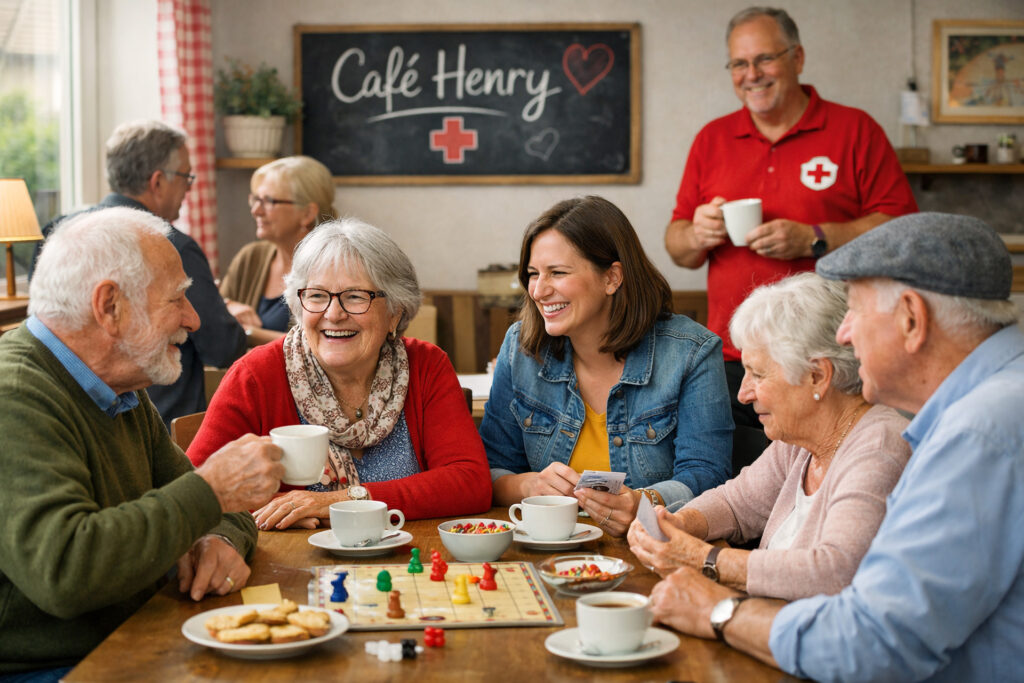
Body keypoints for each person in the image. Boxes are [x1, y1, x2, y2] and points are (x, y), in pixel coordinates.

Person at [648, 213, 1023, 682]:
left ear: (911, 318)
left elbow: (873, 643)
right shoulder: (996, 400)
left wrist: (720, 612)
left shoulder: (977, 433)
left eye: (856, 311)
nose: (844, 335)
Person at [0, 207, 284, 680]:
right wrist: (211, 491)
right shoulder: (15, 395)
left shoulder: (118, 390)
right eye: (177, 298)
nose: (193, 319)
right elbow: (66, 571)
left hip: (134, 635)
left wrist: (218, 538)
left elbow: (220, 509)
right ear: (109, 306)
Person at [663, 7, 918, 451]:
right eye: (739, 64)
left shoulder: (854, 130)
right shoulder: (713, 139)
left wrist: (815, 238)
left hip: (829, 354)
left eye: (765, 59)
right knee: (737, 484)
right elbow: (677, 247)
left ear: (797, 58)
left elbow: (903, 232)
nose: (752, 74)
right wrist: (696, 233)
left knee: (824, 478)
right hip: (733, 357)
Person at [187, 218, 492, 526]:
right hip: (290, 565)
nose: (333, 314)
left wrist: (338, 501)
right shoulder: (256, 376)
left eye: (356, 296)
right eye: (317, 295)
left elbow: (470, 482)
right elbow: (197, 493)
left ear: (395, 314)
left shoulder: (425, 365)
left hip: (408, 560)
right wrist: (273, 507)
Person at [628, 272, 910, 600]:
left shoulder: (878, 447)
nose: (744, 394)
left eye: (758, 374)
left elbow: (834, 572)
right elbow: (735, 504)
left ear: (817, 376)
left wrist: (703, 559)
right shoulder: (801, 439)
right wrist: (679, 523)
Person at [480, 196, 733, 538]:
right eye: (533, 274)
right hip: (545, 547)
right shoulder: (521, 347)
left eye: (557, 273)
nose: (538, 290)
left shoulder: (692, 352)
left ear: (612, 277)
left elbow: (708, 477)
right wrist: (527, 486)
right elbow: (489, 471)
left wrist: (643, 503)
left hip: (652, 551)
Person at [31, 119, 246, 429]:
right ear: (158, 182)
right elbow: (224, 348)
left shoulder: (57, 233)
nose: (189, 188)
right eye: (186, 177)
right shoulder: (173, 249)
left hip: (70, 417)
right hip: (162, 424)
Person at [220, 156, 338, 345]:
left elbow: (319, 343)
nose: (256, 211)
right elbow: (214, 318)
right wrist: (228, 305)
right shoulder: (250, 257)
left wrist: (248, 333)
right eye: (255, 199)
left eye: (269, 201)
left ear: (307, 214)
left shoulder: (333, 267)